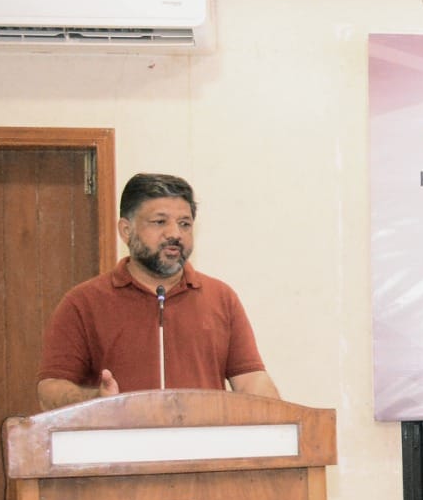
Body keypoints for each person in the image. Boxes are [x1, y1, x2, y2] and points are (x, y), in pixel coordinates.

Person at [37, 172, 278, 410]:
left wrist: (283, 421)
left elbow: (251, 380)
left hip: (202, 435)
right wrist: (98, 401)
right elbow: (50, 391)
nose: (175, 234)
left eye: (184, 224)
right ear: (126, 230)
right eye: (160, 222)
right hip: (119, 434)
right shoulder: (83, 302)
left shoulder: (221, 297)